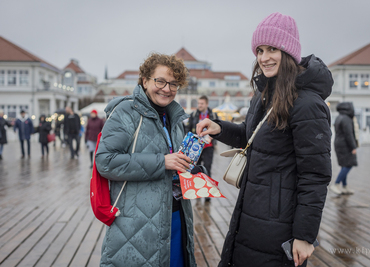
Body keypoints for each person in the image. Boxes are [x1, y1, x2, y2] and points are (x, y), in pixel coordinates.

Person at [197, 12, 333, 267]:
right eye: (259, 50)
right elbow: (252, 138)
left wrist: (304, 236)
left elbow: (315, 175)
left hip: (279, 224)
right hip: (251, 212)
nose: (264, 57)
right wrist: (219, 128)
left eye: (272, 49)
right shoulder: (264, 94)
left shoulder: (307, 104)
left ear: (289, 52)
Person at [95, 53, 196, 267]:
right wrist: (162, 162)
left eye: (174, 84)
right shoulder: (125, 111)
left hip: (176, 216)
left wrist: (191, 170)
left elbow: (173, 160)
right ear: (145, 80)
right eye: (160, 81)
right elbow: (105, 161)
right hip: (136, 223)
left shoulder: (174, 117)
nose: (167, 89)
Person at [186, 95, 218, 202]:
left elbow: (218, 130)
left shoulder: (213, 115)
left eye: (201, 104)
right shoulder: (194, 115)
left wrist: (211, 138)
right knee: (197, 169)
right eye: (198, 103)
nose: (199, 105)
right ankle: (198, 191)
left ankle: (208, 193)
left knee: (207, 168)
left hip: (209, 146)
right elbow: (188, 129)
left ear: (207, 104)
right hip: (196, 148)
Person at [330, 102, 358, 195]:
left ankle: (345, 186)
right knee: (348, 165)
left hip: (338, 143)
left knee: (344, 165)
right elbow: (348, 134)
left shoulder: (339, 117)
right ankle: (336, 184)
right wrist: (353, 147)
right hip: (345, 145)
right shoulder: (347, 119)